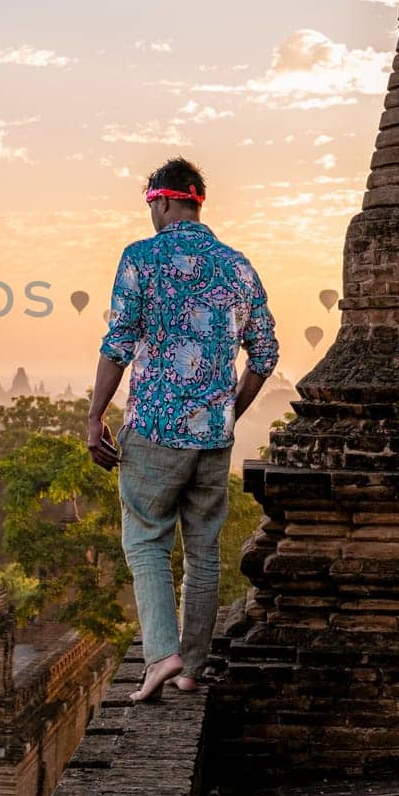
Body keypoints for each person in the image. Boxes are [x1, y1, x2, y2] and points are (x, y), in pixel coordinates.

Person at [86, 157, 278, 704]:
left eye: (150, 206)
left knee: (145, 541)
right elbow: (264, 353)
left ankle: (160, 654)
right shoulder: (237, 266)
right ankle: (191, 667)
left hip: (153, 429)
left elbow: (118, 344)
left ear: (163, 201)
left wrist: (95, 415)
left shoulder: (141, 258)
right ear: (197, 201)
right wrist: (228, 412)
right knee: (203, 552)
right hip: (213, 438)